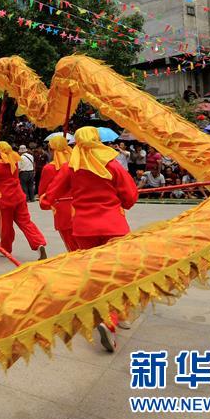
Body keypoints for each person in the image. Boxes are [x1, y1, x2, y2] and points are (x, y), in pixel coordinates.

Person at [42, 126, 138, 352]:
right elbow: (130, 198)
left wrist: (52, 199)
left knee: (94, 275)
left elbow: (48, 199)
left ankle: (100, 314)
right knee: (116, 274)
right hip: (114, 226)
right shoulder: (113, 165)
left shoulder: (70, 168)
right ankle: (115, 318)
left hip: (84, 229)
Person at [0, 141, 48, 259]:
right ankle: (39, 244)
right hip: (18, 196)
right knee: (26, 223)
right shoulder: (14, 161)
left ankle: (5, 248)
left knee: (5, 226)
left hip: (4, 199)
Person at [38, 135, 76, 251]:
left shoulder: (49, 168)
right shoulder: (76, 163)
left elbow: (43, 193)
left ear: (52, 149)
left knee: (72, 246)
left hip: (62, 210)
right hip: (81, 207)